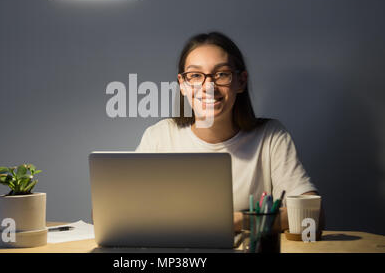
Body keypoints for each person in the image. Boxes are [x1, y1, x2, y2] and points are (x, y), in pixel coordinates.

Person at [136, 31, 325, 232]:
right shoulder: (159, 136)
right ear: (183, 85)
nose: (209, 86)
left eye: (222, 74)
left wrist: (237, 221)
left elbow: (313, 218)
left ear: (241, 81)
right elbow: (115, 213)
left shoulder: (270, 136)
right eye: (195, 76)